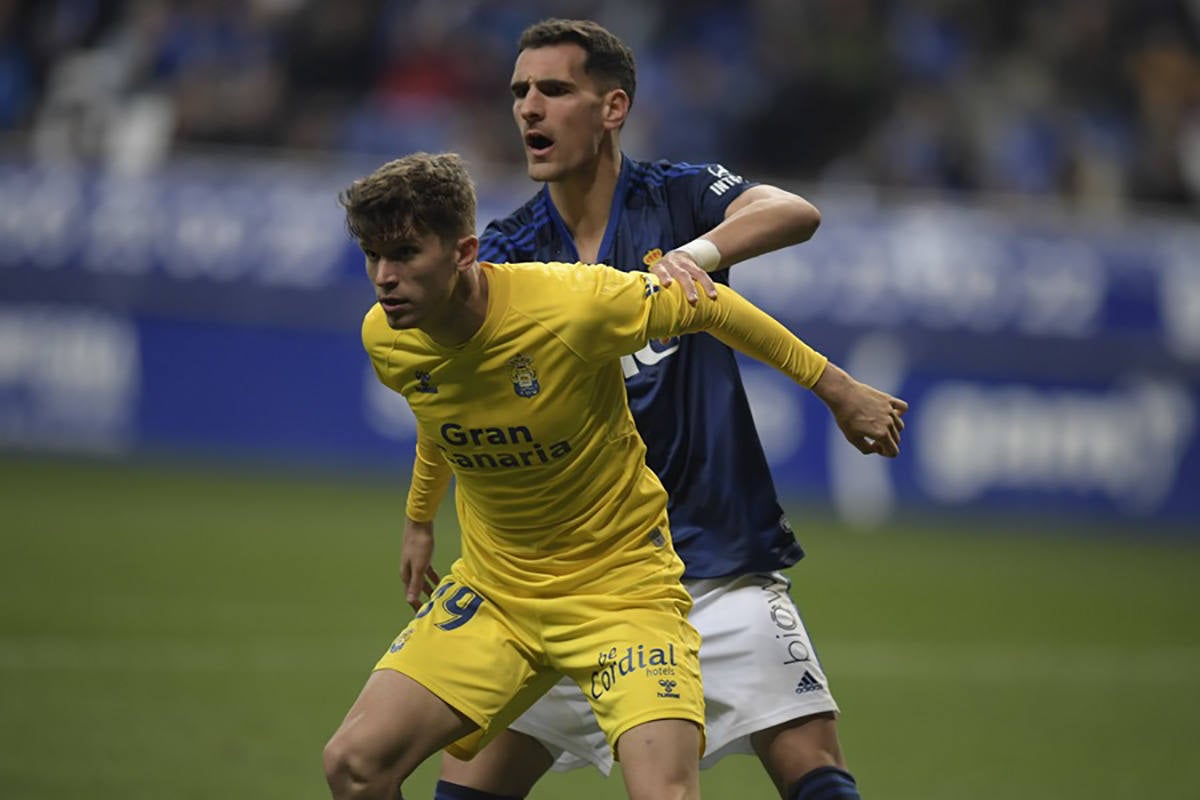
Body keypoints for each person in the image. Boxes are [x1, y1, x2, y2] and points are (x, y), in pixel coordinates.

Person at [321, 152, 907, 800]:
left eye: (404, 254)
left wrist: (838, 388)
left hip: (620, 593)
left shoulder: (573, 302)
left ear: (463, 252)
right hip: (499, 592)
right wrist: (418, 520)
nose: (385, 277)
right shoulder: (387, 336)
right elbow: (441, 411)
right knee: (354, 763)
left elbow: (711, 307)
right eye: (373, 256)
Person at [420, 18, 891, 800]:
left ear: (612, 108)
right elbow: (447, 390)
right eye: (520, 91)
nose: (529, 107)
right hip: (576, 588)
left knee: (814, 770)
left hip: (715, 568)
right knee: (465, 787)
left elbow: (794, 211)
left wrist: (696, 257)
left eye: (554, 89)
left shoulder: (678, 197)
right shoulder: (509, 254)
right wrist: (421, 517)